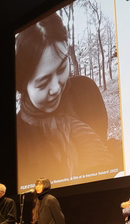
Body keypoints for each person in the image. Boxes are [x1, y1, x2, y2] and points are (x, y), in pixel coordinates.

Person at [15, 13, 121, 184]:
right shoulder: (19, 134)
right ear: (23, 86)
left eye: (62, 67)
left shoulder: (86, 91)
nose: (56, 88)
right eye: (43, 83)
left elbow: (102, 142)